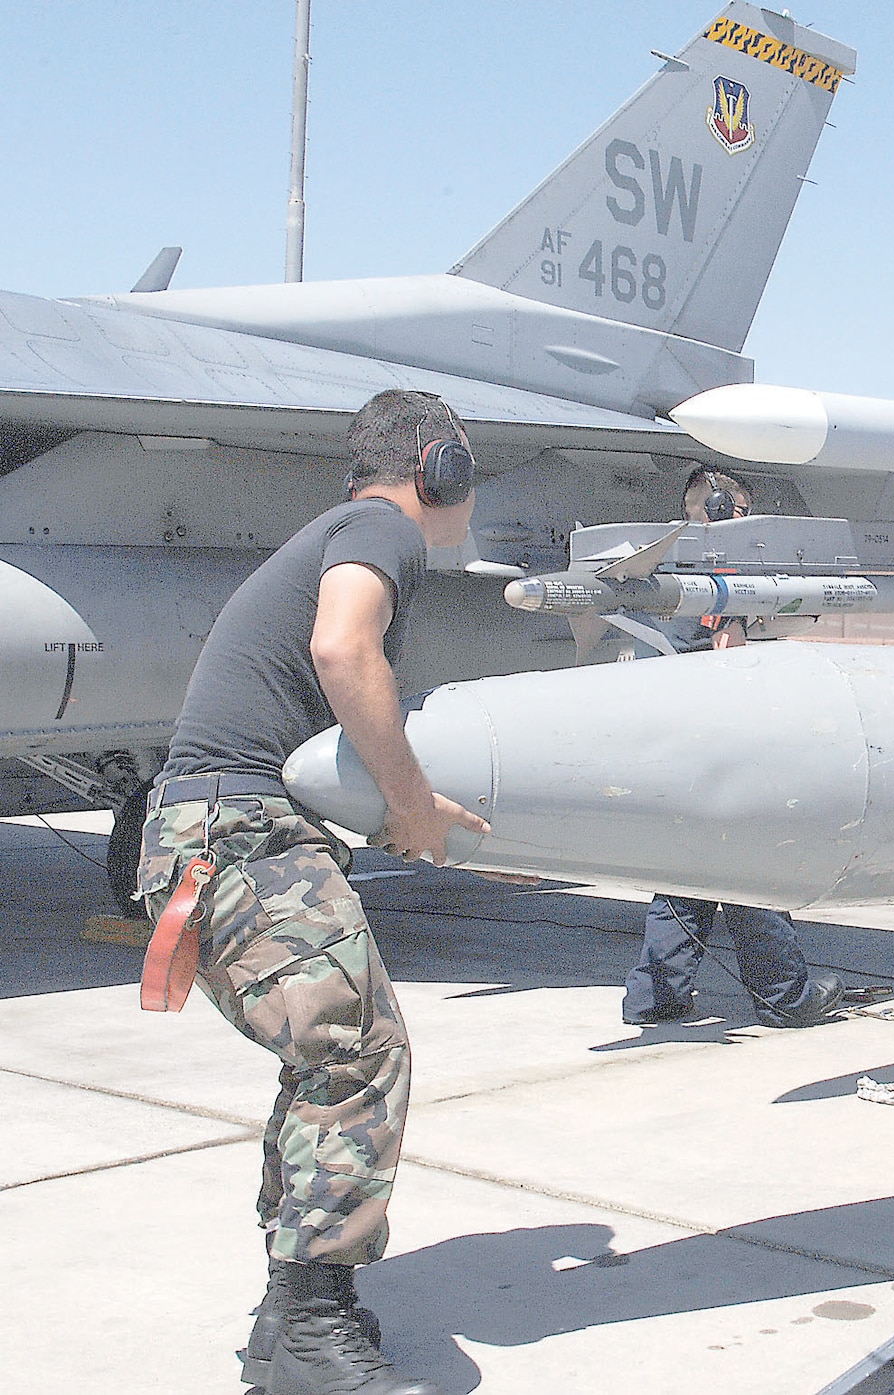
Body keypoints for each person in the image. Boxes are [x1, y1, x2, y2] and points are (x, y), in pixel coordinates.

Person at [137, 390, 488, 1395]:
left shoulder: (343, 527)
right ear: (440, 468)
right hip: (237, 830)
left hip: (218, 830)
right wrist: (409, 802)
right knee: (358, 1054)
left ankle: (290, 1320)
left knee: (322, 1060)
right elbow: (343, 649)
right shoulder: (382, 529)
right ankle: (308, 1331)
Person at [620, 469, 846, 1028]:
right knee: (751, 864)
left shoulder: (663, 571)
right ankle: (786, 996)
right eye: (732, 509)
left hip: (668, 741)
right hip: (718, 741)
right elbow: (731, 657)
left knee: (684, 871)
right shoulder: (717, 571)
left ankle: (656, 995)